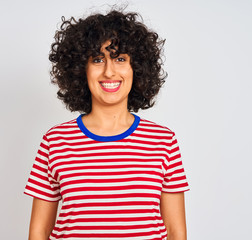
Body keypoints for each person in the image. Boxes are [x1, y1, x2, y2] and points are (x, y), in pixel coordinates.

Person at [24, 8, 190, 240]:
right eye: (98, 59)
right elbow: (38, 232)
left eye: (120, 59)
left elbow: (176, 232)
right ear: (82, 69)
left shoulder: (163, 141)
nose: (109, 71)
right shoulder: (56, 141)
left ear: (138, 68)